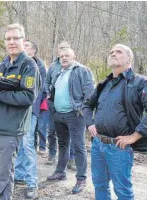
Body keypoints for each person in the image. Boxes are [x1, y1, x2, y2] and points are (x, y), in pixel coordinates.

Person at [83, 44, 147, 199]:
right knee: (99, 185)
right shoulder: (103, 84)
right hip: (98, 144)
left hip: (119, 147)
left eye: (118, 52)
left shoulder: (140, 82)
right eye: (111, 52)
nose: (113, 54)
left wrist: (134, 136)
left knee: (122, 191)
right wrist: (90, 123)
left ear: (129, 59)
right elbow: (86, 105)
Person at [0, 23, 40, 200]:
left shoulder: (29, 65)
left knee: (4, 175)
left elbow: (28, 97)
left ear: (23, 41)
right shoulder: (4, 63)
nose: (11, 42)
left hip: (10, 130)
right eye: (8, 39)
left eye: (15, 38)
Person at [46, 47, 94, 194]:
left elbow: (90, 94)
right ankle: (60, 172)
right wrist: (51, 104)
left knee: (78, 146)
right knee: (63, 144)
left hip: (75, 115)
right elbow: (50, 89)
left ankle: (81, 179)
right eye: (61, 56)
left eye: (67, 56)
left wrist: (85, 113)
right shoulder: (59, 71)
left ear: (74, 56)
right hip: (59, 115)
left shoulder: (82, 70)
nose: (64, 58)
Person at [14, 40, 46, 199]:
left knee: (27, 144)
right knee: (19, 143)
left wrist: (35, 107)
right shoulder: (17, 63)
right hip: (16, 110)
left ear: (33, 51)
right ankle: (19, 175)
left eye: (27, 46)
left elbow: (43, 90)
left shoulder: (38, 66)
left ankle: (32, 183)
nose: (24, 48)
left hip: (30, 110)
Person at [45, 42, 75, 167]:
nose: (63, 53)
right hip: (53, 104)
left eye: (65, 50)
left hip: (70, 107)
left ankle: (71, 158)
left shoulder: (75, 68)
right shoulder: (53, 66)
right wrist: (48, 93)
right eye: (61, 49)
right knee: (52, 131)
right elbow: (46, 82)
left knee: (71, 134)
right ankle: (52, 154)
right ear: (58, 52)